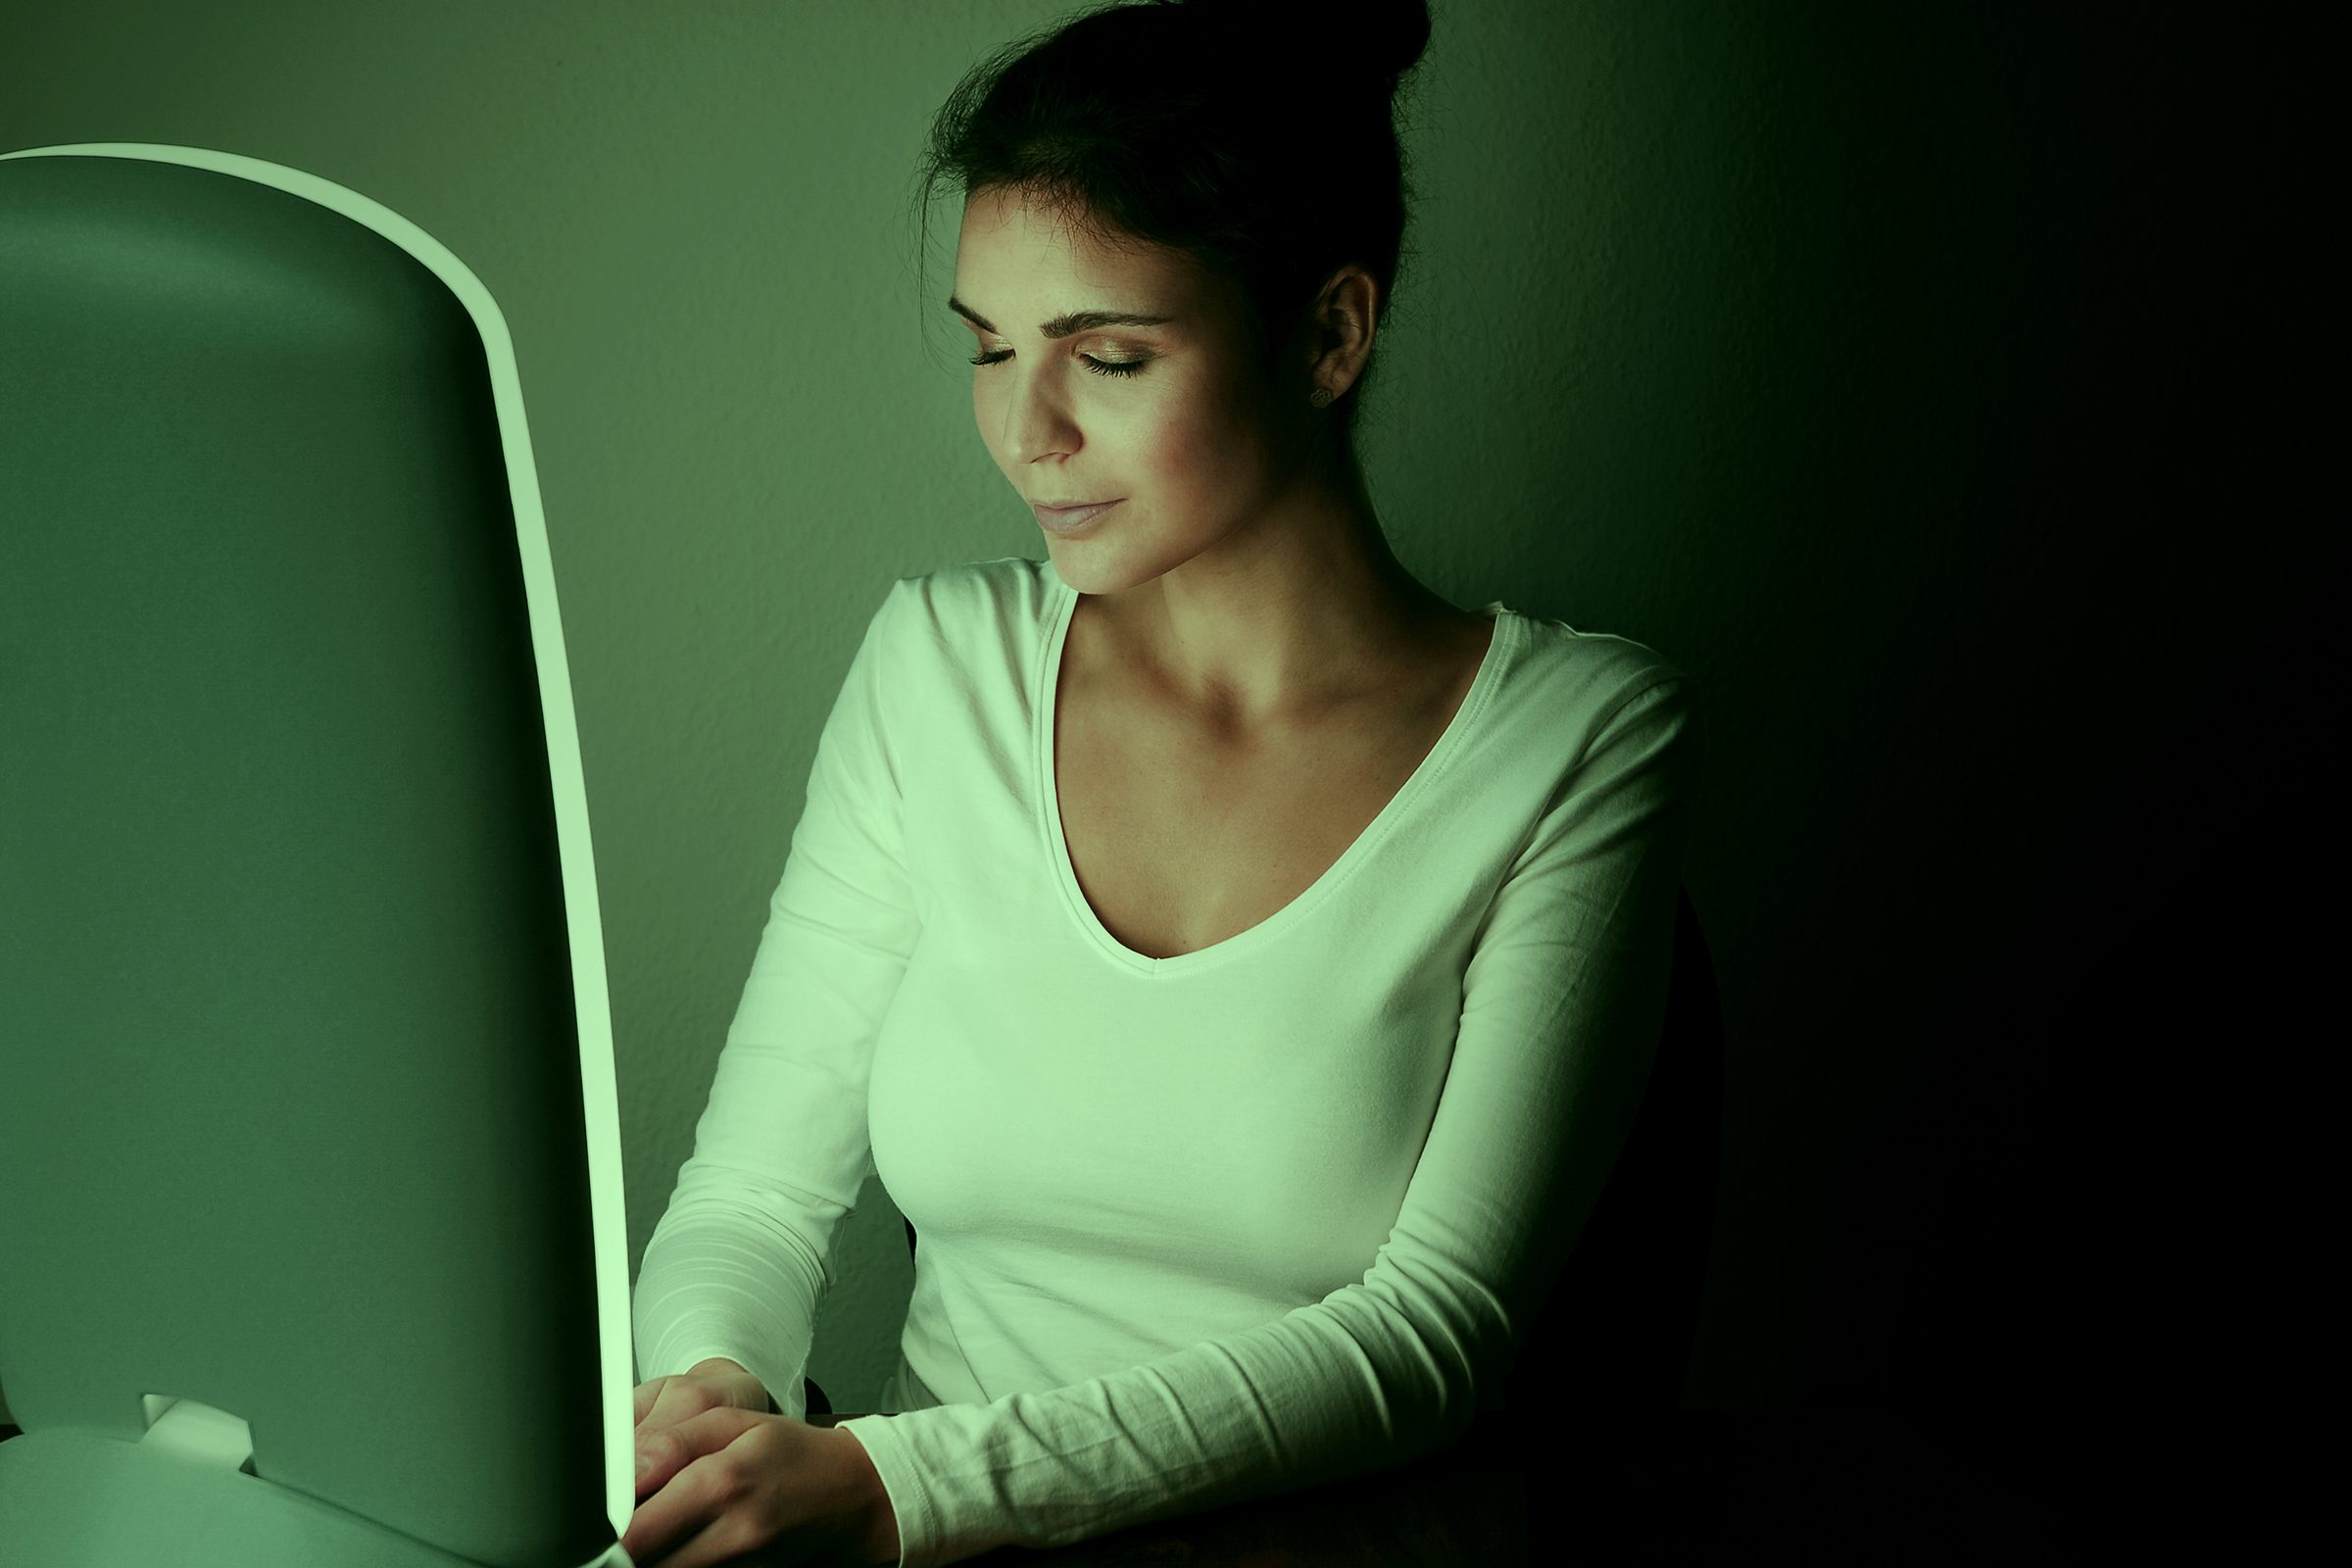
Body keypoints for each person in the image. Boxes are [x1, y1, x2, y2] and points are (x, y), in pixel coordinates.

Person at [629, 2, 1701, 1564]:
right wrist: (711, 1398)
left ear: (1331, 335)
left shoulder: (1580, 736)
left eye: (1108, 356)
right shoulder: (941, 667)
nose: (1026, 430)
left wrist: (899, 1489)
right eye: (990, 348)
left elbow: (1436, 1340)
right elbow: (750, 1202)